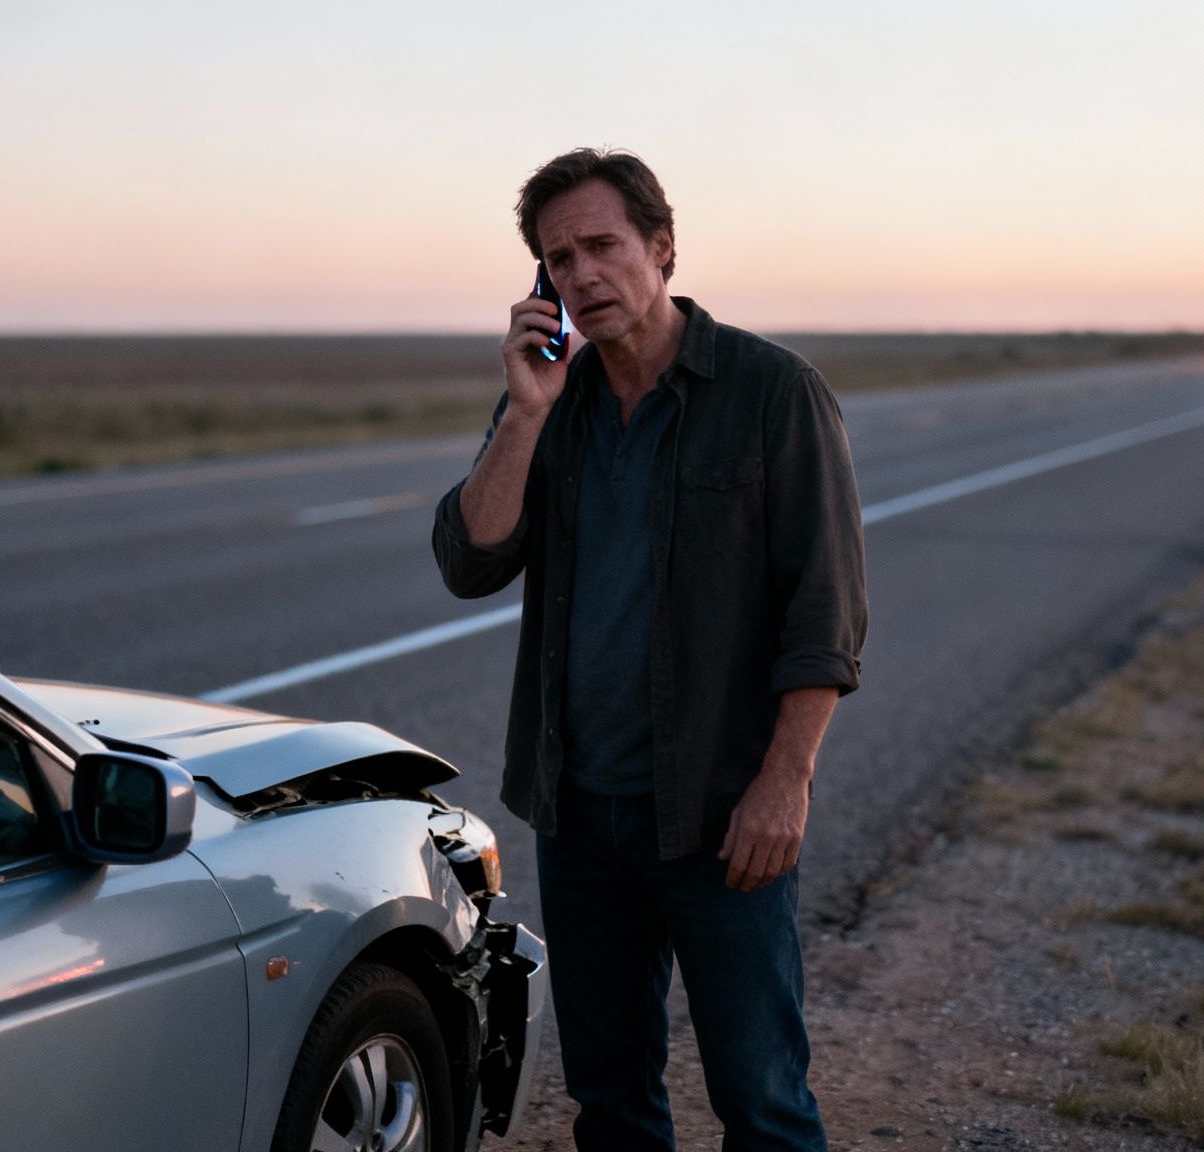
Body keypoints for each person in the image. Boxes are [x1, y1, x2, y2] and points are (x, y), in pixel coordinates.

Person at [431, 148, 867, 1152]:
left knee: (759, 1098)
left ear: (660, 249)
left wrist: (784, 782)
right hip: (578, 814)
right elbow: (469, 558)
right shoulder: (552, 407)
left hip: (720, 814)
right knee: (610, 1099)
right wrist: (527, 412)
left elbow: (826, 610)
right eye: (558, 258)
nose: (583, 275)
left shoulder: (771, 394)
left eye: (601, 246)